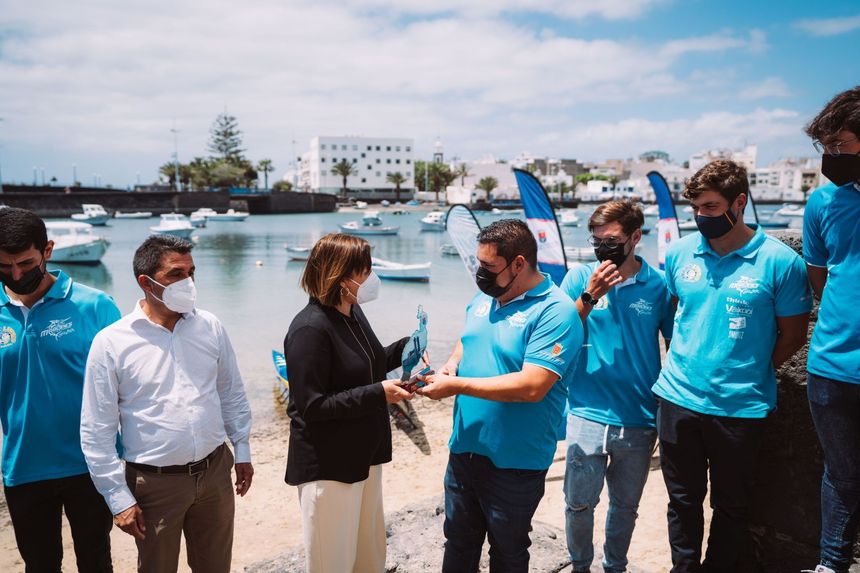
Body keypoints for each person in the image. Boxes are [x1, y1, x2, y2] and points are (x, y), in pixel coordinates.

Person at [651, 159, 812, 572]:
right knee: (682, 501)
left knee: (731, 506)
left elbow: (794, 334)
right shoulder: (680, 253)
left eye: (710, 206)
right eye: (695, 208)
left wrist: (749, 367)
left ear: (739, 202)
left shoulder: (780, 262)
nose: (700, 215)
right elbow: (680, 314)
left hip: (740, 406)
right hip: (677, 399)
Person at [80, 235, 253, 573]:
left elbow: (231, 390)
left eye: (191, 272)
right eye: (176, 274)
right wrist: (118, 498)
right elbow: (97, 429)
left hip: (215, 472)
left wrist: (242, 448)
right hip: (154, 485)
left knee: (216, 567)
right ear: (146, 283)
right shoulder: (111, 343)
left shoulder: (210, 326)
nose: (188, 282)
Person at [418, 219, 582, 573]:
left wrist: (456, 387)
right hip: (464, 450)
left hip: (515, 462)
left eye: (488, 266)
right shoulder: (485, 297)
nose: (480, 273)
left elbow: (533, 386)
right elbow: (469, 338)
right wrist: (451, 366)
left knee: (508, 553)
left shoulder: (556, 311)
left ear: (518, 264)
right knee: (458, 543)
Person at [284, 233, 413, 573]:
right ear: (341, 278)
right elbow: (312, 406)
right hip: (329, 467)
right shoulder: (309, 329)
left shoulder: (352, 312)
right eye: (365, 271)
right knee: (333, 564)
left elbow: (367, 364)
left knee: (369, 559)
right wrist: (379, 393)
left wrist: (405, 349)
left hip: (364, 457)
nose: (372, 277)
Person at [0, 207, 119, 572]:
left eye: (25, 263)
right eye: (4, 266)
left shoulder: (95, 306)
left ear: (47, 250)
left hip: (90, 465)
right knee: (39, 565)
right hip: (23, 466)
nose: (16, 274)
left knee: (96, 562)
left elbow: (127, 388)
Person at [559, 200, 674, 573]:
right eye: (596, 241)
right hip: (585, 411)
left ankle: (615, 567)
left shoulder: (658, 285)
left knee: (625, 507)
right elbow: (557, 336)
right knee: (578, 504)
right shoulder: (579, 278)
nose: (602, 248)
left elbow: (676, 346)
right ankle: (580, 566)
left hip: (638, 417)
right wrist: (590, 295)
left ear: (635, 237)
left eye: (611, 240)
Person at [801, 86, 860, 573]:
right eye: (827, 147)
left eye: (840, 144)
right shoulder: (823, 203)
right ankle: (831, 565)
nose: (831, 157)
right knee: (840, 475)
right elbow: (820, 277)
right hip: (831, 366)